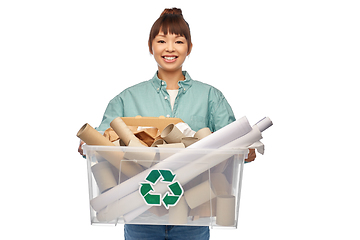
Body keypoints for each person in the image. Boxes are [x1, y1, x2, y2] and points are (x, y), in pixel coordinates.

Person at [78, 7, 256, 240]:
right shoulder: (126, 99)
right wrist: (88, 147)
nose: (170, 48)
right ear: (150, 46)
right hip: (140, 215)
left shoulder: (211, 97)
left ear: (189, 47)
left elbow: (232, 141)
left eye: (178, 41)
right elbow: (103, 141)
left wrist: (245, 150)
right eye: (161, 40)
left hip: (194, 214)